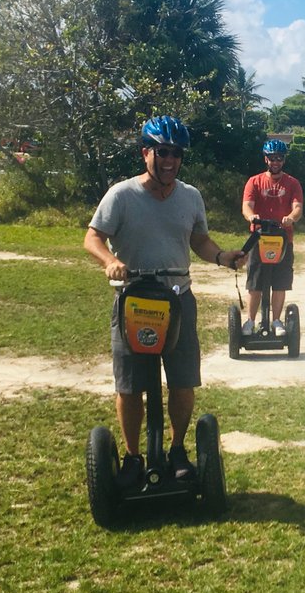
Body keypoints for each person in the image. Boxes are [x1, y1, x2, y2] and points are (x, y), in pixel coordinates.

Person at [83, 116, 247, 487]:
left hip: (177, 300)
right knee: (129, 386)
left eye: (176, 153)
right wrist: (110, 261)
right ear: (146, 153)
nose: (170, 160)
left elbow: (199, 241)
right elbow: (92, 237)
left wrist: (222, 256)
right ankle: (132, 456)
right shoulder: (121, 195)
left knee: (183, 381)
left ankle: (176, 451)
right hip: (133, 300)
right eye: (162, 152)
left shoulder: (190, 196)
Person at [241, 139, 304, 336]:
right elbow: (247, 205)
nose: (275, 162)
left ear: (283, 160)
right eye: (272, 158)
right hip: (259, 238)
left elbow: (298, 208)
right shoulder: (255, 181)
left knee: (280, 282)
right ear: (265, 159)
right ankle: (250, 321)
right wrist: (251, 216)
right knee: (255, 283)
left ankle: (276, 321)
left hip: (283, 238)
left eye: (279, 158)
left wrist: (291, 218)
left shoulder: (292, 183)